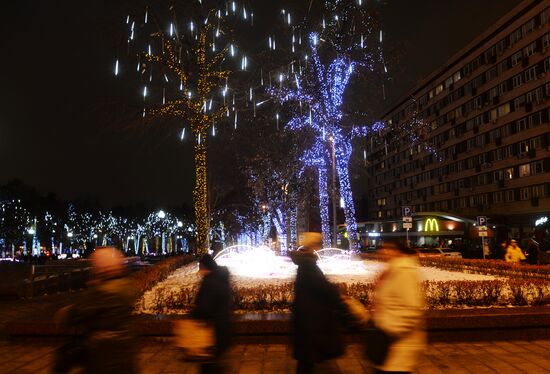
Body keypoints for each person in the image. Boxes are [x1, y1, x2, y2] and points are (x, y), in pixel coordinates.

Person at [53, 246, 138, 374]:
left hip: (101, 350)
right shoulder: (127, 285)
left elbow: (76, 313)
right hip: (125, 348)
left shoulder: (102, 291)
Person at [290, 232, 346, 374]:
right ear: (313, 245)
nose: (319, 246)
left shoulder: (305, 263)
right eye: (318, 243)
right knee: (308, 358)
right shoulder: (308, 265)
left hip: (307, 316)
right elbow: (322, 288)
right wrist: (338, 296)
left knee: (307, 359)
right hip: (311, 318)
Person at [370, 240, 426, 374]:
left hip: (398, 343)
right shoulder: (392, 269)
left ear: (399, 251)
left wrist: (391, 331)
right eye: (383, 248)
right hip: (390, 342)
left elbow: (412, 307)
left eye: (390, 248)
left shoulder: (404, 271)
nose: (384, 251)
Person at [191, 254, 233, 374]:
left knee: (208, 367)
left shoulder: (210, 282)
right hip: (223, 329)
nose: (199, 270)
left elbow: (203, 308)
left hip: (211, 333)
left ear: (205, 266)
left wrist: (194, 314)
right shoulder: (221, 279)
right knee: (214, 364)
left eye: (200, 267)